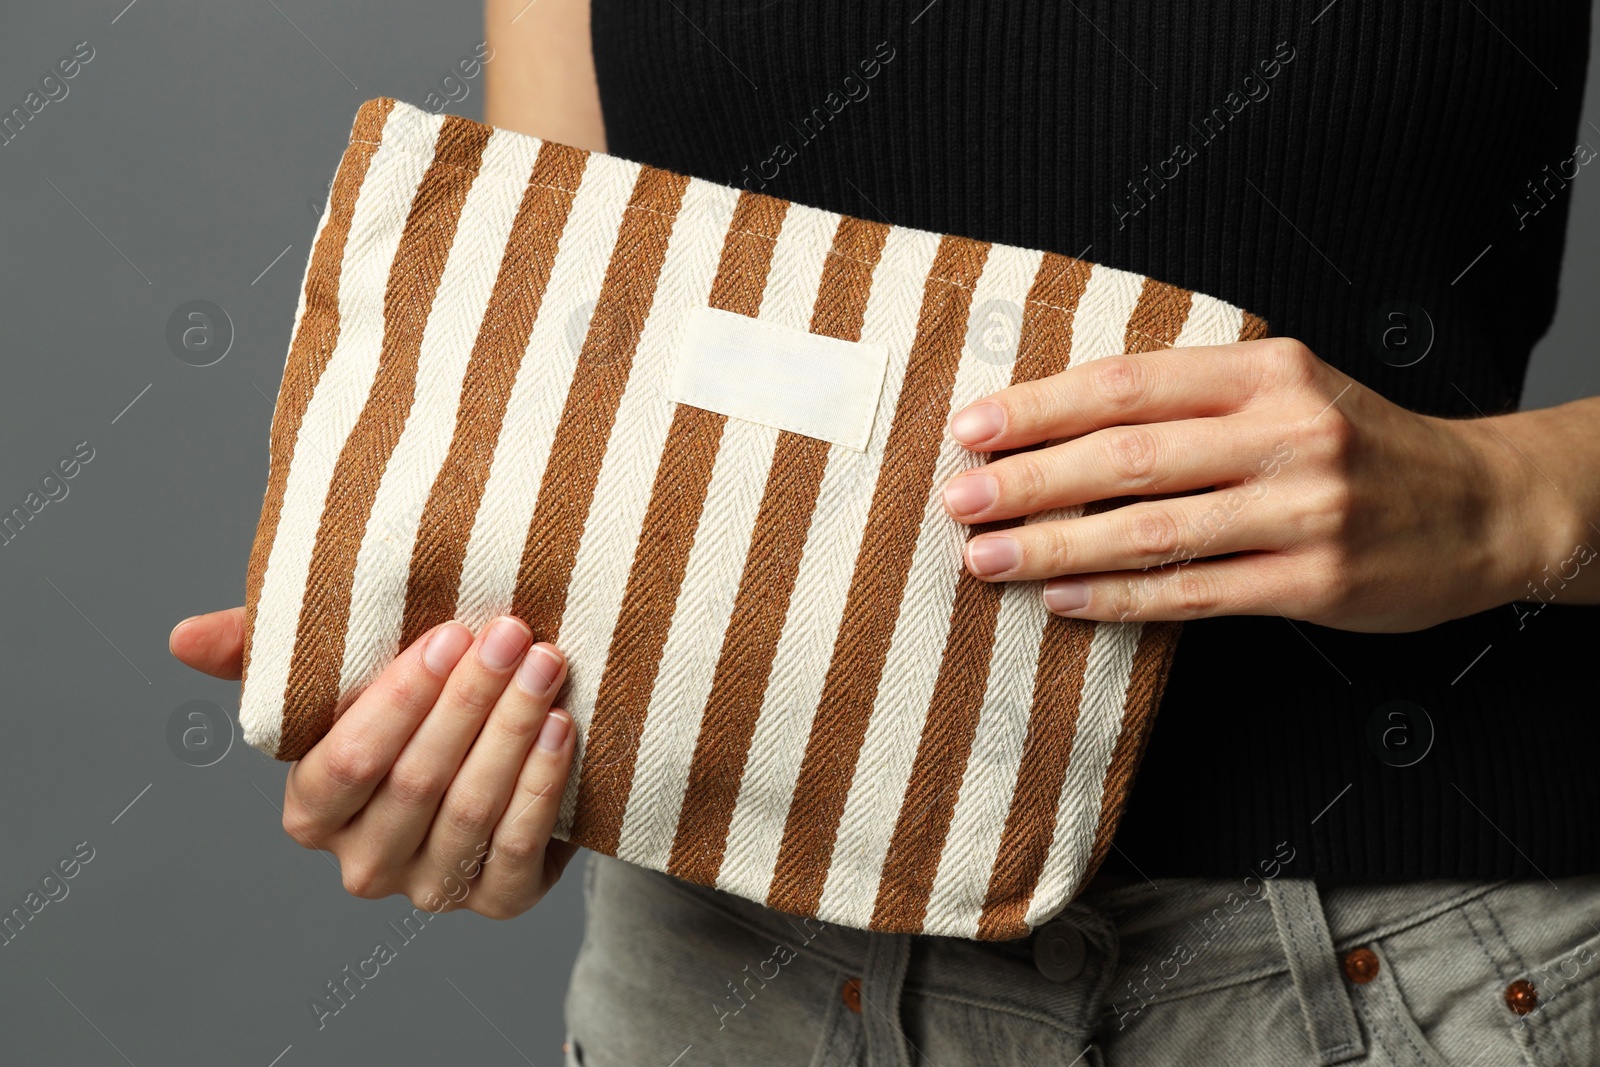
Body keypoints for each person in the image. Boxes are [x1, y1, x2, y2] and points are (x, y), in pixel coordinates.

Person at [173, 1, 1600, 1062]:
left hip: (1409, 969)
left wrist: (1508, 503)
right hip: (732, 982)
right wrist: (508, 750)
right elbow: (577, 374)